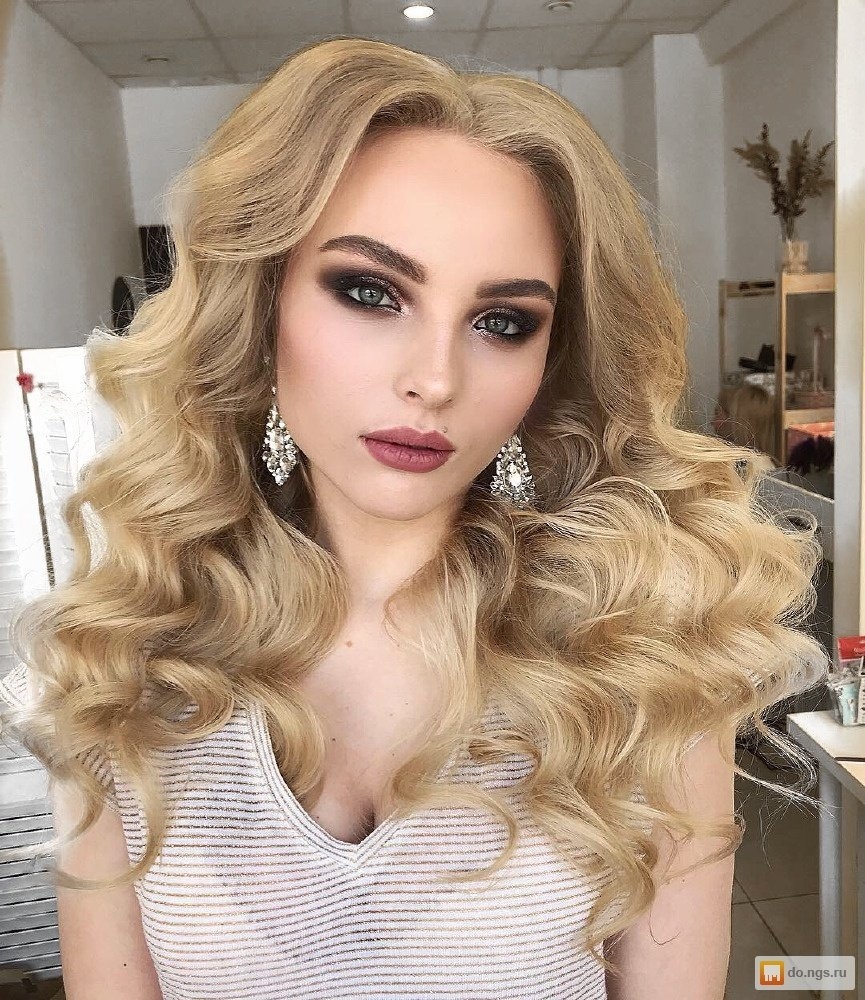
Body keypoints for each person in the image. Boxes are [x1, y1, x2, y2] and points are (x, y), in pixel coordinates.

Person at [0, 37, 828, 1000]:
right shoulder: (113, 668)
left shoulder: (641, 665)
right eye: (369, 292)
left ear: (549, 358)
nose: (434, 379)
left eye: (501, 321)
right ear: (259, 305)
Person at [712, 383, 779, 475]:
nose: (712, 422)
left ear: (736, 421)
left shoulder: (755, 469)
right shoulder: (761, 465)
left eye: (717, 413)